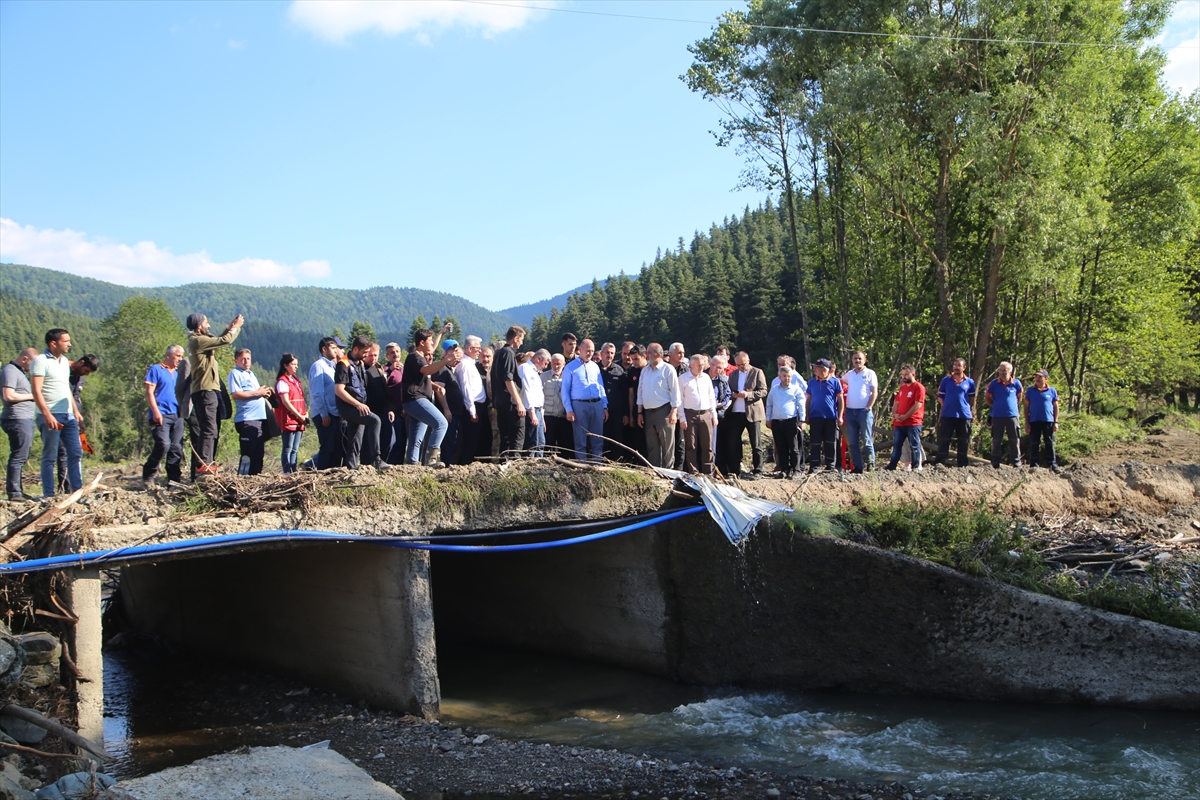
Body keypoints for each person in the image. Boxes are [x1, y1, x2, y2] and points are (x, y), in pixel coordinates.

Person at [186, 312, 243, 474]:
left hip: (202, 391)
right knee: (209, 428)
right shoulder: (198, 340)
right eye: (206, 323)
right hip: (206, 390)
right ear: (198, 327)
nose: (209, 325)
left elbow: (216, 341)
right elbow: (224, 341)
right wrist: (236, 328)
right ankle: (204, 463)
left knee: (209, 428)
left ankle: (206, 463)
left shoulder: (196, 341)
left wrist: (230, 328)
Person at [31, 329, 83, 497]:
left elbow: (65, 388)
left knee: (75, 452)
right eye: (66, 341)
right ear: (53, 343)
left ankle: (78, 492)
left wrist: (75, 410)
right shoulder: (40, 361)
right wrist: (47, 415)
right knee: (50, 456)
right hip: (51, 415)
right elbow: (36, 391)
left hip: (68, 415)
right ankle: (49, 495)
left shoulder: (64, 361)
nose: (70, 344)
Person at [402, 328, 454, 467]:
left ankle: (412, 464)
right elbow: (427, 370)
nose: (432, 344)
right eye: (429, 341)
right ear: (422, 342)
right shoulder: (415, 357)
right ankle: (431, 459)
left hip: (412, 401)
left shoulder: (419, 355)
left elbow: (433, 347)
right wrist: (445, 360)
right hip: (416, 399)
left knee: (416, 438)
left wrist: (440, 334)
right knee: (441, 423)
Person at [335, 335, 382, 470]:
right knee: (375, 421)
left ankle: (352, 467)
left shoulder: (359, 363)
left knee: (356, 439)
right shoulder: (343, 364)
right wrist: (358, 404)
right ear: (356, 349)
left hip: (359, 406)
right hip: (349, 407)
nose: (366, 355)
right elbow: (339, 390)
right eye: (365, 352)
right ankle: (377, 459)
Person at [141, 345, 185, 488]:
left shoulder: (179, 373)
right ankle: (149, 473)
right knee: (163, 445)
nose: (180, 359)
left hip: (177, 414)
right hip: (161, 413)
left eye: (181, 356)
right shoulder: (156, 369)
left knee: (176, 447)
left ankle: (174, 480)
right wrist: (155, 412)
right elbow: (149, 392)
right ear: (168, 355)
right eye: (178, 356)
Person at [56, 354, 99, 493]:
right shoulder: (63, 370)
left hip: (76, 417)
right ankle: (64, 487)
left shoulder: (79, 378)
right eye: (86, 371)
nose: (86, 374)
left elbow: (77, 397)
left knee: (76, 451)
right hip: (62, 414)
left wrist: (80, 417)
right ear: (81, 363)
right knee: (63, 451)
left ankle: (75, 486)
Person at [723, 351, 768, 478]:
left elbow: (763, 391)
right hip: (736, 412)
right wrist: (733, 394)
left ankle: (758, 469)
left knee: (756, 443)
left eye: (742, 364)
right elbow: (729, 391)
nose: (740, 367)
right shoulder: (733, 374)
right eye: (738, 365)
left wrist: (748, 395)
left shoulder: (757, 372)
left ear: (748, 360)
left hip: (752, 412)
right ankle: (735, 469)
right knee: (733, 442)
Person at [2, 348, 39, 501]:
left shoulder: (20, 372)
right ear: (24, 359)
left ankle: (18, 491)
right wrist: (34, 395)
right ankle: (14, 492)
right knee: (18, 456)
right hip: (17, 418)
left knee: (22, 455)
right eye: (32, 364)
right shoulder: (10, 370)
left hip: (23, 418)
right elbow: (8, 395)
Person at [636, 343, 682, 468]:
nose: (647, 355)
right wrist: (640, 412)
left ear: (658, 354)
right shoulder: (645, 371)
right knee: (652, 446)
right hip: (648, 413)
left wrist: (674, 412)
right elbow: (640, 392)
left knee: (667, 445)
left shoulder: (668, 369)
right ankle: (655, 472)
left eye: (650, 352)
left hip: (664, 412)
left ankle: (669, 474)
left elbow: (675, 392)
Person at [227, 348, 272, 475]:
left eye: (248, 358)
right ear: (236, 360)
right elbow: (235, 394)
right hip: (247, 419)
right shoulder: (235, 373)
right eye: (243, 359)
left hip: (259, 418)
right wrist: (258, 392)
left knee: (259, 453)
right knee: (248, 454)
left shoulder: (251, 374)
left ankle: (255, 478)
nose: (246, 361)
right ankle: (242, 480)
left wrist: (264, 394)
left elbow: (254, 393)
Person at [562, 338, 608, 462]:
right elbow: (565, 390)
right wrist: (569, 410)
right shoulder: (570, 367)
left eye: (592, 351)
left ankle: (597, 466)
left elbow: (600, 386)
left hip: (597, 404)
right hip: (579, 406)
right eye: (588, 350)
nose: (590, 353)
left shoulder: (595, 367)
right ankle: (582, 467)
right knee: (580, 440)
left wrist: (604, 406)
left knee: (597, 438)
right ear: (580, 349)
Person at [307, 337, 343, 470]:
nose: (336, 351)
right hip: (325, 414)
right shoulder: (318, 366)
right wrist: (323, 413)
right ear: (324, 349)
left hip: (333, 413)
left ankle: (332, 474)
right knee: (327, 448)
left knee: (335, 448)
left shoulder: (332, 367)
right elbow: (318, 392)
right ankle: (321, 475)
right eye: (333, 348)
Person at [491, 326, 527, 458]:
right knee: (517, 438)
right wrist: (519, 403)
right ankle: (514, 468)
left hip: (500, 403)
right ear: (515, 338)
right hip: (510, 403)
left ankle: (504, 467)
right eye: (521, 339)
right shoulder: (509, 353)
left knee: (505, 440)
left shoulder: (499, 353)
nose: (522, 343)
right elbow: (508, 379)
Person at [679, 354, 717, 475]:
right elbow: (679, 400)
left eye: (702, 365)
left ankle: (708, 472)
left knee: (707, 446)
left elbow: (711, 397)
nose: (701, 367)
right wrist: (682, 417)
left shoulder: (706, 378)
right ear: (691, 365)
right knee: (691, 445)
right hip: (690, 414)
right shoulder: (683, 379)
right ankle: (694, 472)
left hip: (706, 414)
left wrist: (714, 415)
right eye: (698, 365)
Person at [766, 365, 806, 478]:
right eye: (784, 376)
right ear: (779, 377)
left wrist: (802, 420)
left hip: (791, 421)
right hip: (777, 422)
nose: (787, 378)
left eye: (789, 376)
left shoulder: (796, 389)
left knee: (794, 447)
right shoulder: (774, 390)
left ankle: (797, 470)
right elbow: (769, 404)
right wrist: (768, 418)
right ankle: (784, 469)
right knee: (781, 447)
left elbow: (801, 405)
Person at [935, 358, 977, 467]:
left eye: (959, 365)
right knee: (944, 439)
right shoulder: (946, 380)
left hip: (964, 415)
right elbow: (940, 397)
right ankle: (940, 463)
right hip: (948, 414)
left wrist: (965, 406)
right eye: (954, 365)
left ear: (964, 367)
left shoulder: (970, 382)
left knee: (963, 440)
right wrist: (947, 404)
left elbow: (972, 398)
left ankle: (962, 464)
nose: (956, 367)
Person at [842, 350, 879, 473]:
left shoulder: (870, 373)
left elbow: (874, 392)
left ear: (864, 360)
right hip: (850, 411)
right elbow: (840, 381)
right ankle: (858, 466)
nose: (857, 361)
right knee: (852, 442)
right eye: (855, 359)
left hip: (864, 411)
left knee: (867, 440)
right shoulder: (850, 374)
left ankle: (871, 464)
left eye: (859, 358)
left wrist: (868, 407)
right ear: (852, 360)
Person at [805, 358, 844, 472]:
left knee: (830, 442)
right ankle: (814, 466)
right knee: (815, 442)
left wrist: (840, 416)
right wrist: (807, 415)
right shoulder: (812, 382)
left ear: (824, 369)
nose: (815, 369)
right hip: (815, 416)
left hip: (830, 417)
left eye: (817, 367)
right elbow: (809, 399)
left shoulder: (835, 382)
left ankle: (830, 465)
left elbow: (840, 400)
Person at [885, 364, 925, 471]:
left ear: (913, 374)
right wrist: (895, 415)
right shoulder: (902, 388)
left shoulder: (919, 387)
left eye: (906, 374)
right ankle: (892, 466)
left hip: (913, 422)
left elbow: (917, 405)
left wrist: (905, 416)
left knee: (914, 444)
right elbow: (896, 403)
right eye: (903, 375)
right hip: (899, 422)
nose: (904, 377)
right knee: (897, 445)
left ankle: (916, 466)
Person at [431, 341, 465, 464]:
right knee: (449, 441)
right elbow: (440, 391)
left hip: (455, 412)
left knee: (453, 441)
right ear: (446, 353)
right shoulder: (441, 369)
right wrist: (446, 409)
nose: (457, 358)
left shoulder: (450, 369)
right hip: (448, 412)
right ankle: (447, 464)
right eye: (454, 354)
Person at [274, 353, 309, 474]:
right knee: (288, 448)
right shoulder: (282, 382)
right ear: (285, 365)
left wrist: (305, 414)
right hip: (289, 419)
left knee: (295, 449)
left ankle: (293, 472)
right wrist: (298, 415)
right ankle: (286, 472)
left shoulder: (296, 381)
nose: (296, 367)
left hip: (299, 418)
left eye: (297, 364)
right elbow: (286, 401)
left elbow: (301, 399)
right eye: (293, 364)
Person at [456, 336, 488, 465]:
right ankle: (465, 465)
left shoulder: (470, 364)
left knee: (475, 439)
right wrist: (472, 411)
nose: (480, 351)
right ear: (469, 348)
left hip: (477, 406)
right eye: (477, 348)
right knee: (470, 439)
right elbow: (466, 388)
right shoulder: (465, 365)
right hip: (472, 406)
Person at [986, 361, 1023, 469]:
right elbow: (988, 398)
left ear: (1010, 371)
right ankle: (995, 463)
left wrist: (1012, 406)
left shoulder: (1016, 383)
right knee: (996, 439)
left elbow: (1019, 397)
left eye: (1004, 370)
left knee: (1014, 439)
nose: (1002, 372)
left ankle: (1016, 463)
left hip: (1012, 416)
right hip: (997, 416)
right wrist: (996, 406)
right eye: (1000, 370)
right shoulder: (993, 384)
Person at [363, 344, 394, 464]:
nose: (373, 358)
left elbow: (385, 390)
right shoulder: (361, 369)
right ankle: (368, 464)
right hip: (369, 411)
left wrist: (390, 408)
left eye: (375, 355)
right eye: (370, 355)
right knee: (368, 441)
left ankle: (383, 461)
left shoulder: (378, 368)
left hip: (383, 409)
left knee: (388, 438)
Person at [1025, 369, 1061, 472]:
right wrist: (1027, 423)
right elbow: (1026, 407)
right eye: (1036, 377)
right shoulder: (1030, 390)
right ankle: (1034, 464)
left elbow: (1056, 406)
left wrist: (1056, 422)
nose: (1037, 379)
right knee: (1034, 442)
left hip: (1048, 420)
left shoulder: (1052, 390)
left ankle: (1052, 464)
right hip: (1034, 420)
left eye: (1040, 377)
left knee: (1049, 442)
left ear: (1046, 378)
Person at [598, 342, 626, 460]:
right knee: (601, 439)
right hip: (599, 411)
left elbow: (625, 393)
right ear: (601, 353)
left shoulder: (619, 370)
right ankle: (601, 462)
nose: (609, 355)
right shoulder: (594, 369)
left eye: (612, 353)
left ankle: (616, 464)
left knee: (617, 439)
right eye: (607, 352)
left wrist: (625, 413)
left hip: (616, 412)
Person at [541, 353, 572, 455]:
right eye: (554, 364)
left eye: (558, 364)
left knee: (565, 445)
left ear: (564, 364)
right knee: (548, 444)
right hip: (548, 416)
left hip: (564, 416)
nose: (556, 366)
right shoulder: (543, 377)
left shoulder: (569, 377)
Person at [520, 349, 548, 457]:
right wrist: (532, 413)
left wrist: (542, 417)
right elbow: (527, 391)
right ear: (538, 358)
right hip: (531, 410)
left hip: (539, 411)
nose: (545, 366)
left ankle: (539, 467)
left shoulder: (535, 372)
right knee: (532, 443)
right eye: (545, 363)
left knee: (540, 442)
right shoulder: (525, 368)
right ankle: (529, 467)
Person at [622, 344, 647, 460]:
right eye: (632, 359)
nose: (634, 362)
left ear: (644, 356)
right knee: (638, 440)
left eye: (636, 359)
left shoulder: (650, 370)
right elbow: (631, 395)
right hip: (638, 409)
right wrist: (631, 415)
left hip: (651, 409)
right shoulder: (632, 372)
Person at [384, 342, 408, 464]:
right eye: (392, 352)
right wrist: (389, 370)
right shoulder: (384, 370)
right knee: (395, 442)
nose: (395, 354)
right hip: (393, 412)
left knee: (403, 442)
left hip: (405, 411)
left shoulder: (403, 370)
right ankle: (390, 465)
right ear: (387, 355)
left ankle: (399, 466)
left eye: (397, 351)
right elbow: (381, 386)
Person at [708, 353, 732, 469]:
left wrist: (721, 404)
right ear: (710, 364)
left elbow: (728, 395)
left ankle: (713, 468)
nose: (718, 370)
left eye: (721, 368)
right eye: (716, 367)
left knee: (714, 444)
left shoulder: (723, 380)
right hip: (701, 412)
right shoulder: (702, 377)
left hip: (716, 414)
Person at [476, 345, 496, 459]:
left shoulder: (495, 371)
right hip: (479, 408)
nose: (486, 359)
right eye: (483, 356)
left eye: (488, 356)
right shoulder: (475, 370)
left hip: (492, 408)